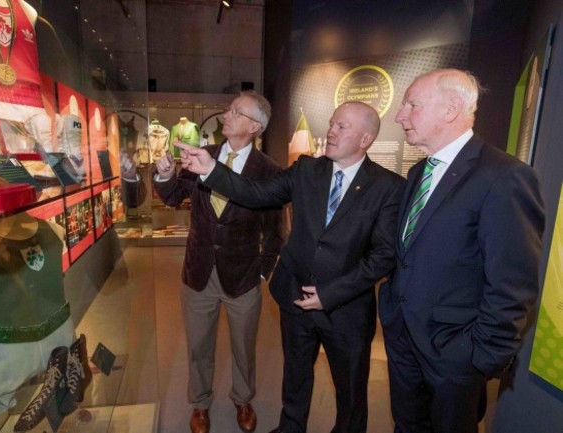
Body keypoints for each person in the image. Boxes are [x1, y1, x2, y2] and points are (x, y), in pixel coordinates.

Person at [175, 101, 405, 433]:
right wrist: (212, 170)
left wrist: (330, 294)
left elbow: (383, 256)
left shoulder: (388, 187)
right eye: (331, 123)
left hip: (346, 310)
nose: (331, 131)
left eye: (342, 126)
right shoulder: (306, 170)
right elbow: (255, 193)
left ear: (366, 139)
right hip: (295, 300)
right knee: (295, 380)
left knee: (350, 393)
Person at [378, 68, 545, 433]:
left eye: (411, 104)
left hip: (454, 354)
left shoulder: (504, 176)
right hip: (403, 337)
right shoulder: (420, 170)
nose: (398, 114)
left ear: (451, 108)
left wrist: (477, 360)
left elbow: (513, 285)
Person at [153, 91, 284, 433]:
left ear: (254, 126)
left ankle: (243, 398)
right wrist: (166, 174)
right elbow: (172, 196)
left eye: (235, 112)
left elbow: (274, 232)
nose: (225, 115)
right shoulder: (203, 155)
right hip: (198, 272)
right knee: (198, 346)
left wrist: (262, 271)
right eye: (228, 109)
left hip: (243, 277)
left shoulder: (269, 171)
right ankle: (200, 403)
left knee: (244, 346)